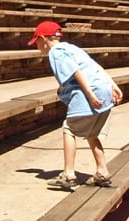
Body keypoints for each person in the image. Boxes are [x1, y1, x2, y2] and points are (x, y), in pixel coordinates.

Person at [30, 20, 123, 192]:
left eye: (36, 41)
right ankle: (102, 171)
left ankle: (68, 174)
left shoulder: (55, 52)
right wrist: (113, 84)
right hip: (104, 88)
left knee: (69, 129)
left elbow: (75, 71)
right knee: (92, 133)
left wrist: (90, 95)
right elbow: (95, 66)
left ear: (43, 38)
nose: (36, 46)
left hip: (89, 92)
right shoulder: (70, 47)